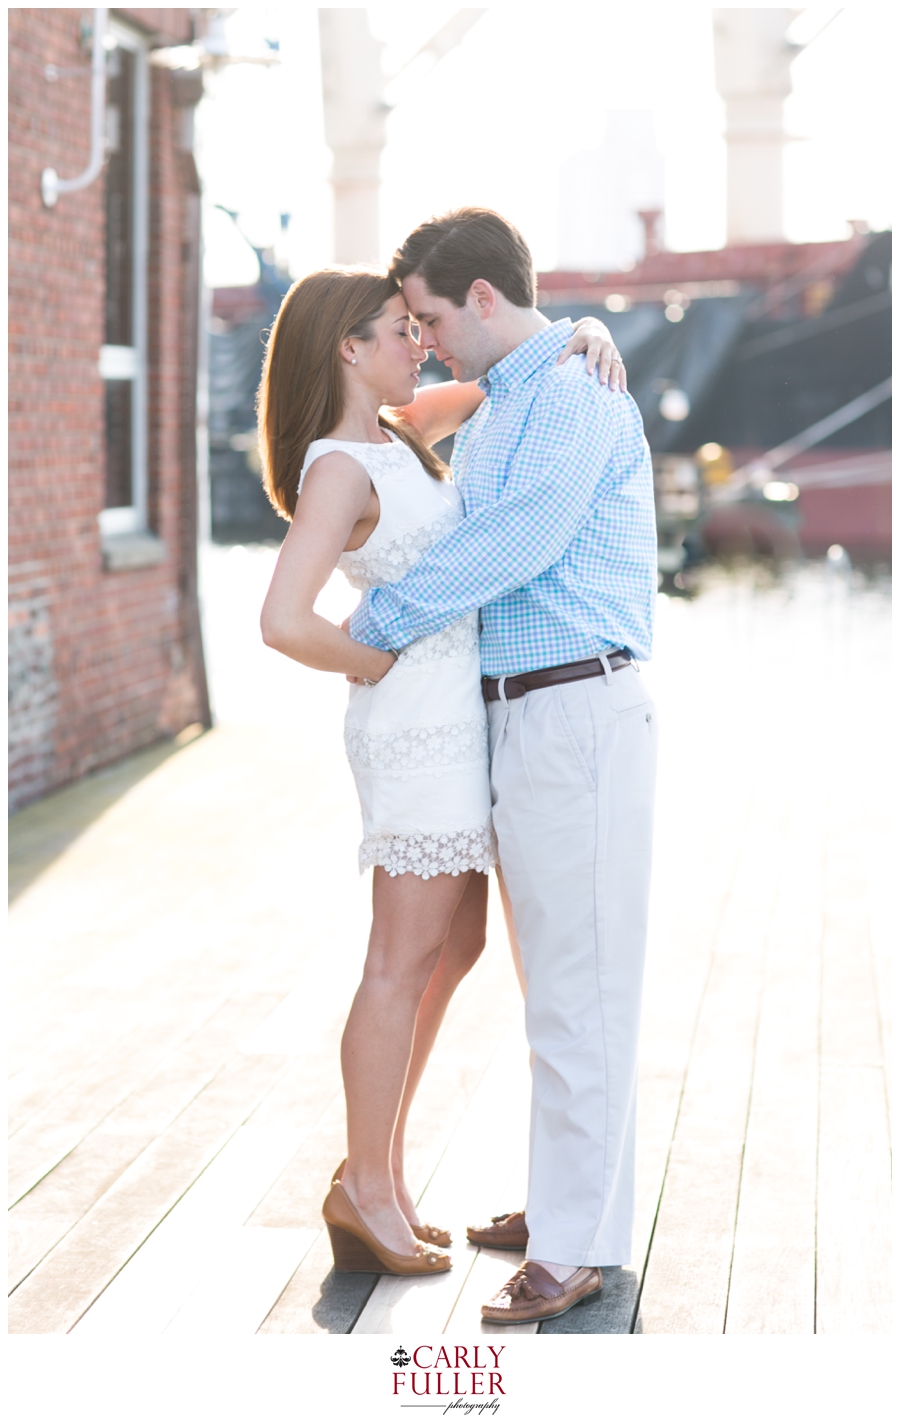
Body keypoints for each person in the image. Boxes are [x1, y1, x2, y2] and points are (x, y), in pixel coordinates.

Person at [257, 265, 622, 1278]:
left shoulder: (402, 427)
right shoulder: (342, 467)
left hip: (457, 720)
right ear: (346, 347)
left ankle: (378, 1172)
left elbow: (511, 370)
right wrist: (372, 659)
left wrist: (584, 328)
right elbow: (283, 619)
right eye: (395, 328)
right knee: (398, 960)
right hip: (415, 726)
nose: (416, 341)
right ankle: (365, 1185)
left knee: (450, 948)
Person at [347, 208, 658, 1324]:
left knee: (580, 988)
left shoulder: (567, 396)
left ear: (482, 299)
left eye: (430, 315)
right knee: (554, 979)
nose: (422, 338)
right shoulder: (519, 393)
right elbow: (438, 448)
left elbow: (517, 539)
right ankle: (571, 1195)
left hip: (575, 709)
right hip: (524, 720)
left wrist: (375, 620)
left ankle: (577, 1247)